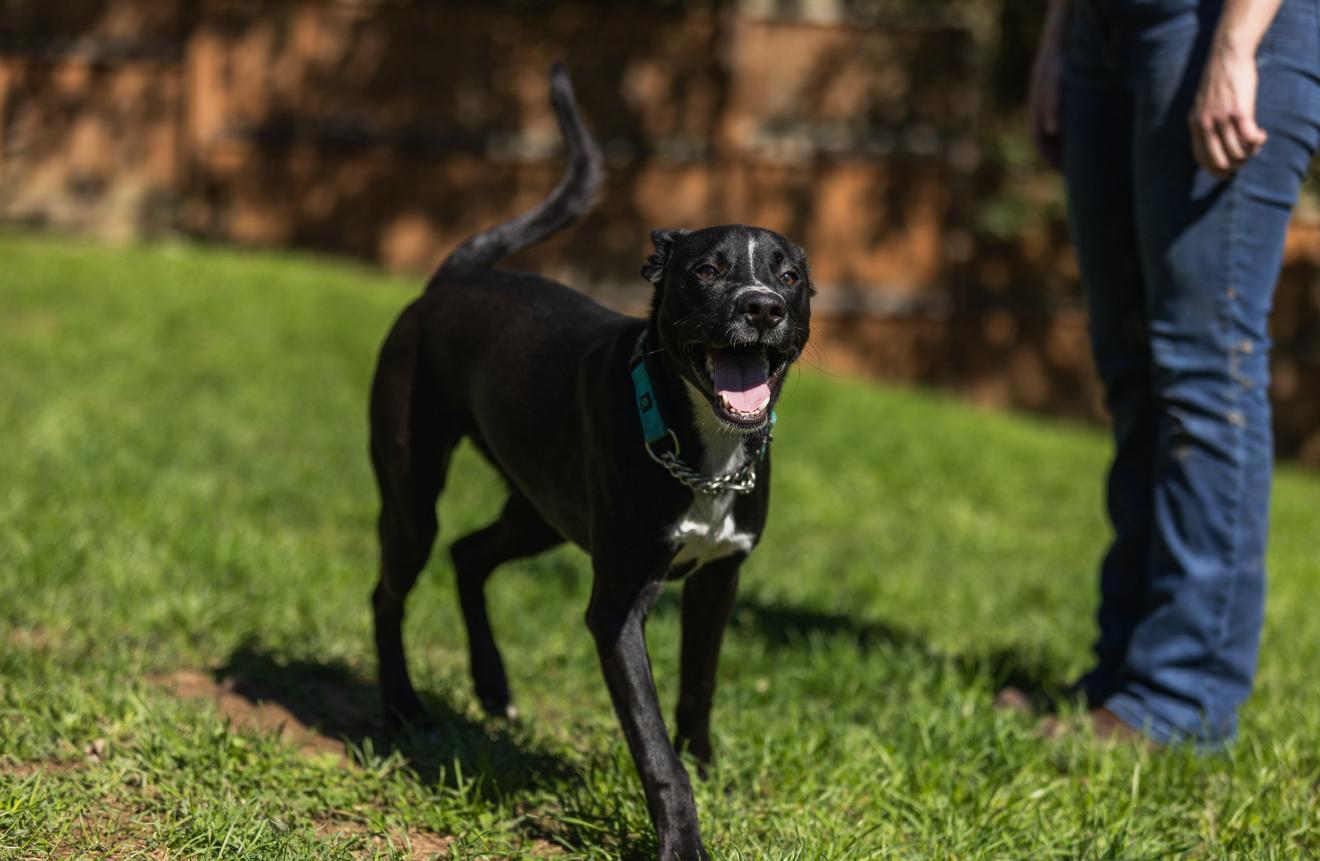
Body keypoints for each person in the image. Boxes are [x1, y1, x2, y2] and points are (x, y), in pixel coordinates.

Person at [1023, 0, 1320, 746]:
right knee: (1131, 370)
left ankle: (1184, 696)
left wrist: (1236, 41)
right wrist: (1062, 33)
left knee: (1202, 367)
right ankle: (1124, 673)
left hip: (1220, 24)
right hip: (1105, 28)